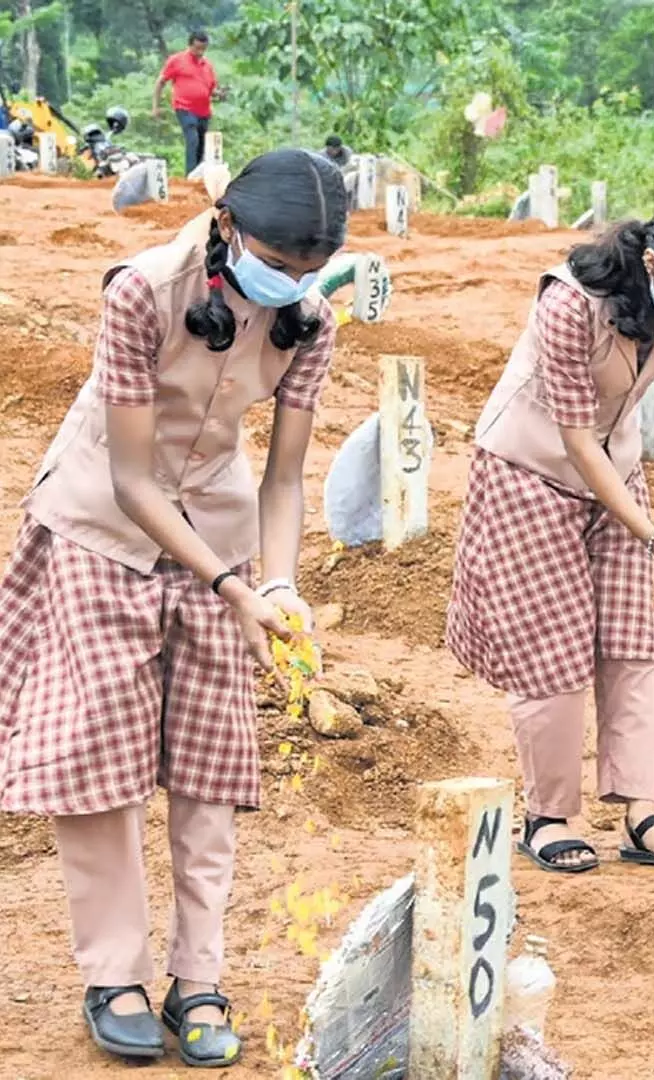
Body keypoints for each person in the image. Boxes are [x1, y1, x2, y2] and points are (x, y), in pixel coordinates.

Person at [0, 149, 346, 1066]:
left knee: (210, 762)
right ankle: (115, 974)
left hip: (220, 530)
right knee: (101, 760)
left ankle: (200, 977)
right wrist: (229, 586)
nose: (292, 287)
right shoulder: (143, 291)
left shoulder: (309, 319)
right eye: (281, 263)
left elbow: (282, 475)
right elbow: (128, 476)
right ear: (229, 224)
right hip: (101, 530)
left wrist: (275, 583)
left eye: (310, 273)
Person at [447, 196, 654, 877]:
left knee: (630, 639)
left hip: (616, 472)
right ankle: (550, 814)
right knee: (550, 646)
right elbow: (574, 436)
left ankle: (641, 815)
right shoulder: (572, 304)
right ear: (652, 263)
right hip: (529, 471)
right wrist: (648, 535)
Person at [153, 30, 217, 175]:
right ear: (190, 45)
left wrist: (219, 94)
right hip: (185, 108)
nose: (200, 52)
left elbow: (211, 89)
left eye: (203, 49)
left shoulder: (207, 65)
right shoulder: (177, 60)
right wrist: (156, 106)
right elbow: (161, 82)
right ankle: (190, 176)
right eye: (197, 48)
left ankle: (199, 176)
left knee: (202, 145)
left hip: (204, 111)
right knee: (192, 139)